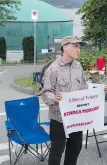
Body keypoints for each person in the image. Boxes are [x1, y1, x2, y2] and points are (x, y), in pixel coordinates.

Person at [41, 36, 89, 165]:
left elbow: (84, 86)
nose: (79, 49)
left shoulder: (78, 66)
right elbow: (46, 92)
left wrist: (97, 91)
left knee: (75, 147)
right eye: (76, 46)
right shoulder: (53, 68)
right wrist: (55, 98)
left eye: (79, 46)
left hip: (76, 117)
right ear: (65, 47)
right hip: (59, 118)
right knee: (57, 150)